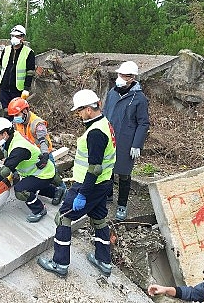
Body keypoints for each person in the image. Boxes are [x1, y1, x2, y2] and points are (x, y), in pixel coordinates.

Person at [38, 89, 116, 278]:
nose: (78, 114)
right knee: (99, 220)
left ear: (89, 109)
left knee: (63, 218)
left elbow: (94, 168)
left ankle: (60, 263)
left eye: (80, 111)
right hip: (103, 184)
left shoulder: (96, 133)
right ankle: (103, 260)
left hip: (87, 186)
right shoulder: (106, 124)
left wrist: (82, 194)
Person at [0, 117, 57, 222]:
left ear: (5, 134)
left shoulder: (19, 148)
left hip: (43, 173)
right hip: (39, 171)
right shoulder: (14, 137)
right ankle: (56, 192)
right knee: (26, 184)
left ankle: (40, 209)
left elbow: (6, 170)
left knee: (20, 190)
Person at [102, 60, 149, 220]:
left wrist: (137, 144)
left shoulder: (139, 98)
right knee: (107, 170)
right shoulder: (112, 93)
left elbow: (143, 123)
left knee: (124, 174)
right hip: (109, 138)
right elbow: (104, 113)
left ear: (131, 78)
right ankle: (107, 195)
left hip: (126, 142)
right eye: (119, 74)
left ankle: (122, 204)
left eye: (123, 75)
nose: (120, 77)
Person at [7, 97, 67, 206]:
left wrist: (44, 155)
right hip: (30, 154)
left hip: (42, 153)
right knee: (36, 176)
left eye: (17, 115)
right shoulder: (17, 124)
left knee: (53, 175)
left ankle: (64, 193)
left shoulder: (37, 124)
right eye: (13, 116)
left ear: (25, 111)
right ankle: (48, 190)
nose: (15, 118)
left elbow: (43, 141)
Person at [0, 24, 35, 115]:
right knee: (6, 112)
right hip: (4, 87)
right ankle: (8, 128)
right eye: (12, 36)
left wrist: (26, 89)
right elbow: (0, 67)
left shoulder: (29, 53)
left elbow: (30, 73)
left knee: (16, 113)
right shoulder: (6, 50)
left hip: (17, 90)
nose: (14, 38)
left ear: (22, 38)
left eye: (17, 36)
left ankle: (16, 128)